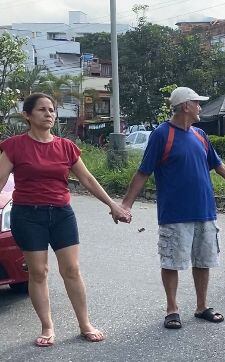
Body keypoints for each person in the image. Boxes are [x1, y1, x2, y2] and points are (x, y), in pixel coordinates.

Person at [121, 87, 225, 329]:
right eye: (197, 103)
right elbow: (143, 171)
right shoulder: (161, 135)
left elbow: (220, 167)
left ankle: (201, 306)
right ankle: (172, 309)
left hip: (205, 211)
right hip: (174, 213)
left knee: (203, 260)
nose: (200, 108)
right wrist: (126, 204)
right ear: (185, 106)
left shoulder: (200, 135)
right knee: (171, 261)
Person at [0, 93, 131, 347]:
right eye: (42, 110)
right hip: (28, 215)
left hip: (61, 213)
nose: (49, 114)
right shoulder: (14, 146)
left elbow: (88, 179)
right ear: (27, 115)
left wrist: (113, 205)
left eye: (51, 110)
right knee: (38, 272)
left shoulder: (66, 146)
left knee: (71, 270)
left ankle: (85, 323)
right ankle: (47, 327)